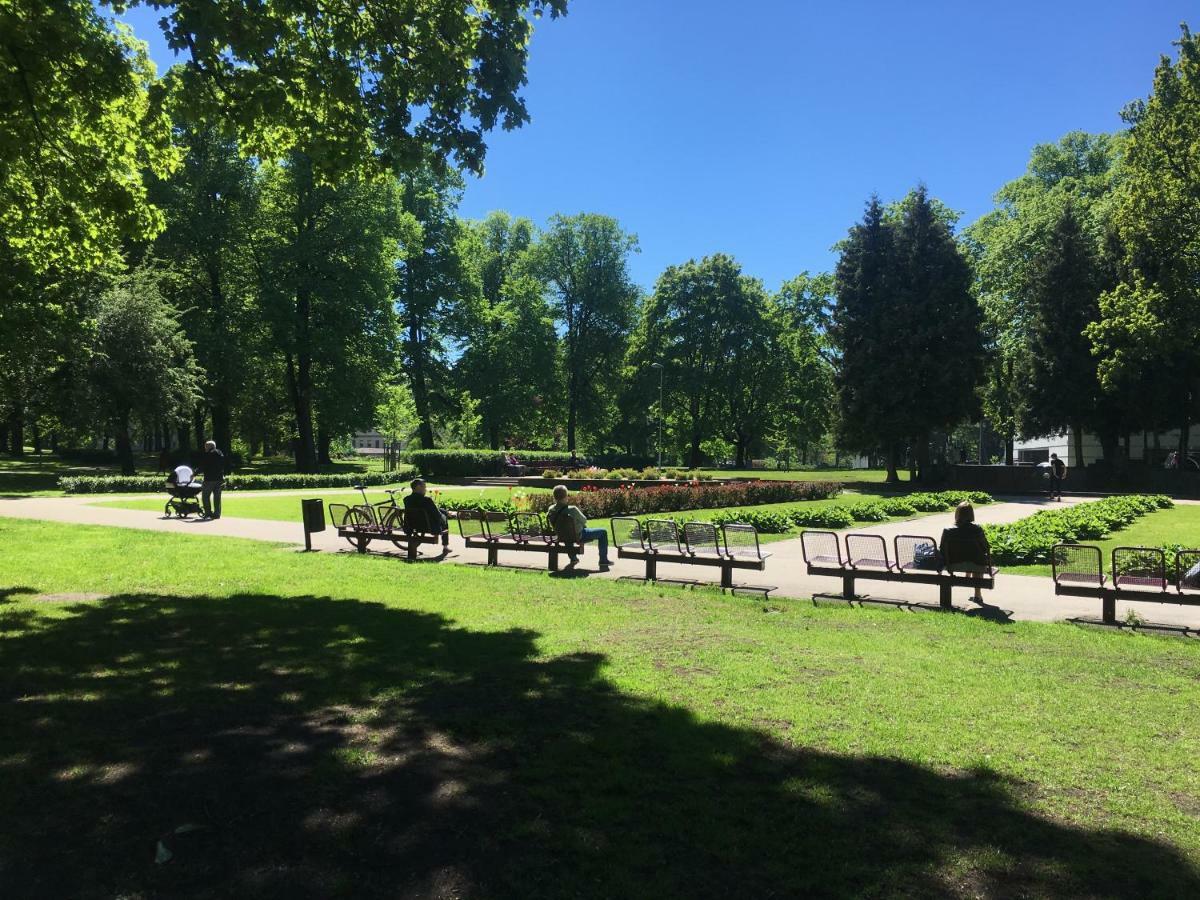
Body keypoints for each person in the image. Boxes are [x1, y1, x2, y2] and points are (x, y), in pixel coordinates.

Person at [547, 484, 611, 568]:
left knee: (567, 533)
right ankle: (603, 560)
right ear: (566, 496)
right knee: (603, 532)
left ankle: (573, 558)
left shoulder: (551, 509)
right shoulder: (572, 509)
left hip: (561, 535)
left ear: (554, 497)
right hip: (578, 535)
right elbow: (584, 520)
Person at [939, 501, 991, 602]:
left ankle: (968, 573)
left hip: (952, 564)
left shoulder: (947, 530)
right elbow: (986, 548)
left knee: (971, 558)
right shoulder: (977, 529)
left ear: (957, 513)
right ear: (971, 514)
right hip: (975, 564)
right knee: (977, 561)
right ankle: (977, 594)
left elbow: (942, 549)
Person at [402, 479, 450, 550]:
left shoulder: (406, 499)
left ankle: (446, 513)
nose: (426, 489)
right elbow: (438, 515)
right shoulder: (427, 500)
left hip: (411, 525)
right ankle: (445, 546)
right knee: (444, 517)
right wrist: (446, 516)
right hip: (428, 527)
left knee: (442, 511)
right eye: (424, 487)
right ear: (418, 487)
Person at [199, 440, 225, 519]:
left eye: (206, 446)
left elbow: (203, 466)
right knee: (217, 497)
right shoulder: (220, 454)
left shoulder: (209, 455)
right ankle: (217, 514)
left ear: (210, 446)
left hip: (209, 479)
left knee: (205, 496)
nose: (205, 448)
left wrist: (194, 474)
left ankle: (208, 513)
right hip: (219, 478)